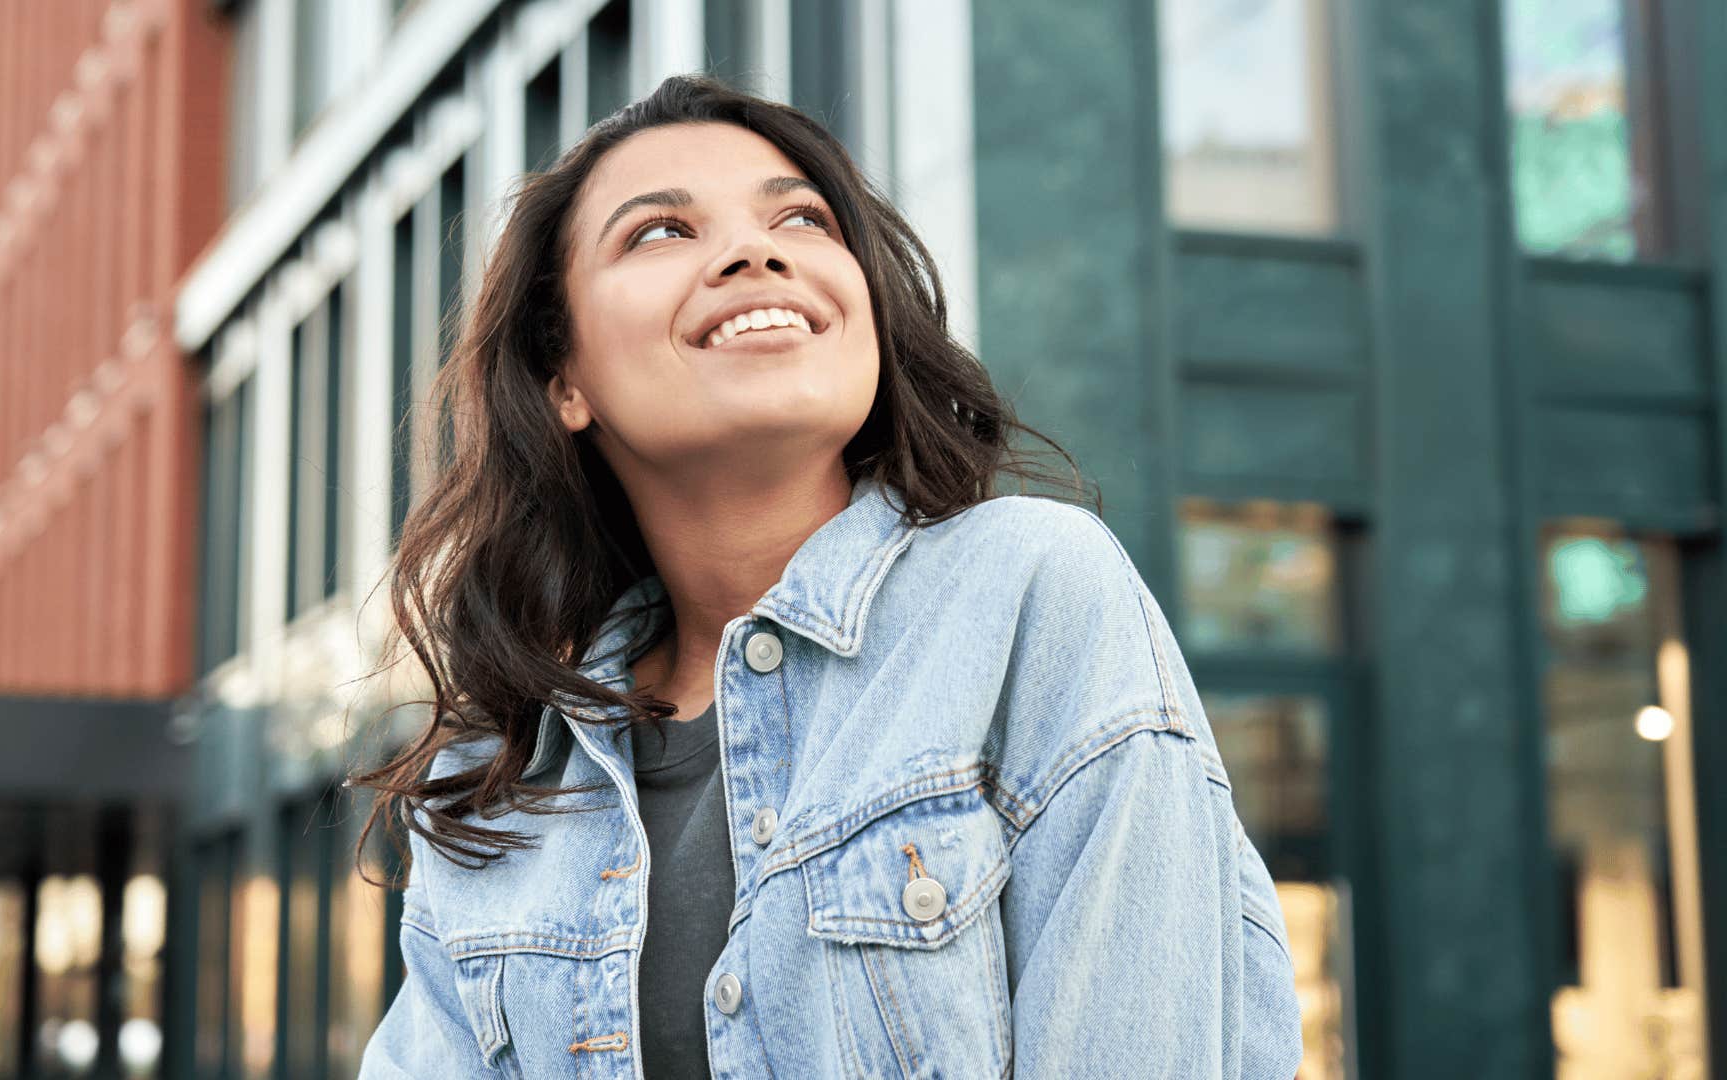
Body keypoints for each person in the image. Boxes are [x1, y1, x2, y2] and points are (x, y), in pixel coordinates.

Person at [352, 72, 1304, 1078]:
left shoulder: (1031, 596)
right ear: (565, 380)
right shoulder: (492, 783)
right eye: (660, 232)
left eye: (802, 218)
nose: (755, 250)